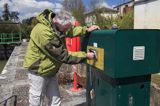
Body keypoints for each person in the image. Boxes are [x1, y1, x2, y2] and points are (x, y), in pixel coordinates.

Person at [23, 9, 100, 106]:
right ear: (56, 22)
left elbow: (70, 31)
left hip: (51, 71)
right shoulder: (43, 32)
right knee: (37, 101)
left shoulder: (58, 26)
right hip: (38, 72)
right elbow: (62, 55)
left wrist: (86, 29)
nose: (66, 31)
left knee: (56, 100)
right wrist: (85, 55)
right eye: (65, 28)